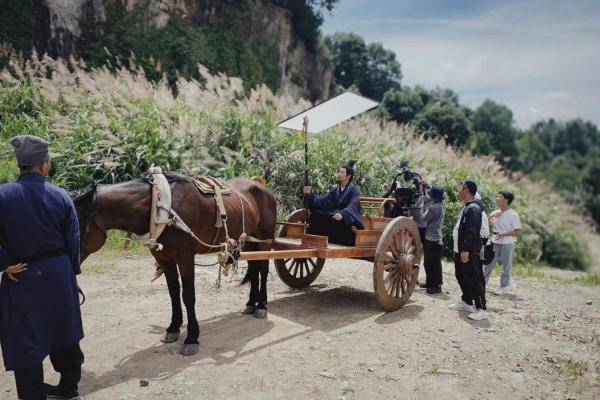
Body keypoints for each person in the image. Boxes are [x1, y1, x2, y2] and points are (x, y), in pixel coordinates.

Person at [0, 135, 84, 400]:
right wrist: (71, 274)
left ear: (21, 165)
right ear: (44, 165)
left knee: (25, 336)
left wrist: (4, 264)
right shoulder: (60, 195)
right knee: (64, 328)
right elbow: (73, 240)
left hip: (21, 275)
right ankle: (69, 386)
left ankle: (32, 394)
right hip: (58, 272)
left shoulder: (2, 196)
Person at [450, 180, 487, 321]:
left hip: (468, 251)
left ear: (466, 190)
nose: (459, 191)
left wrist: (465, 249)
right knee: (460, 275)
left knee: (473, 278)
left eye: (461, 189)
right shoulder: (467, 207)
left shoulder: (474, 209)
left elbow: (472, 231)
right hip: (458, 249)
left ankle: (481, 308)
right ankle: (467, 302)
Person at [303, 161, 364, 246]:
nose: (339, 174)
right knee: (317, 214)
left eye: (342, 172)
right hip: (335, 213)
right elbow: (323, 201)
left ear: (348, 176)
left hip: (349, 217)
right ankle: (315, 240)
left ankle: (339, 242)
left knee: (337, 219)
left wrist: (342, 214)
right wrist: (310, 195)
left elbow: (353, 205)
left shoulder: (354, 191)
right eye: (339, 172)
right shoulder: (335, 190)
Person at [483, 191, 522, 295]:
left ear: (506, 200)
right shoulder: (495, 212)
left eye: (499, 197)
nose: (497, 198)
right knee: (489, 262)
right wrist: (491, 216)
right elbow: (484, 225)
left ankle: (504, 287)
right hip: (495, 240)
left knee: (506, 265)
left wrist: (504, 234)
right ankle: (482, 283)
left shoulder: (513, 214)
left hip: (507, 242)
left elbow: (517, 232)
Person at [420, 186, 445, 294]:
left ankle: (435, 286)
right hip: (436, 237)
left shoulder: (433, 208)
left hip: (431, 238)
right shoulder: (441, 205)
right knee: (434, 263)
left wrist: (424, 204)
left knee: (430, 263)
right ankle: (432, 284)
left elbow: (424, 218)